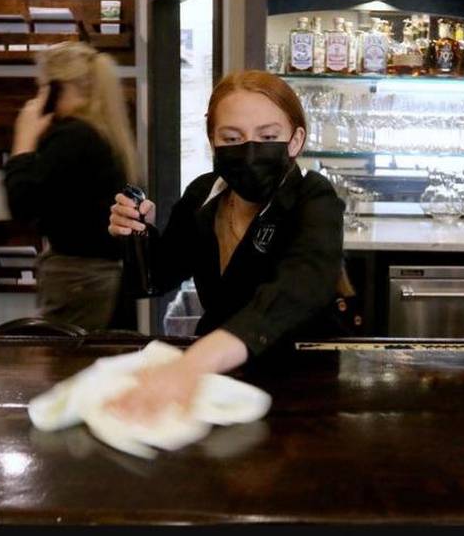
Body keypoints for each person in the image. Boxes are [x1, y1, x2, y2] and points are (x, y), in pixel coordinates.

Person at [106, 70, 345, 423]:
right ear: (213, 140)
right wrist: (138, 233)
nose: (249, 152)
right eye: (232, 138)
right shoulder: (203, 194)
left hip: (299, 384)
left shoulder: (314, 197)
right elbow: (157, 278)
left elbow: (303, 283)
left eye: (267, 136)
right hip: (219, 387)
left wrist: (197, 361)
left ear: (295, 141)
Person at [3, 41, 139, 331]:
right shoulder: (100, 133)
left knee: (67, 367)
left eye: (41, 89)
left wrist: (23, 141)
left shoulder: (72, 137)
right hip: (99, 278)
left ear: (55, 89)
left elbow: (22, 203)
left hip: (79, 280)